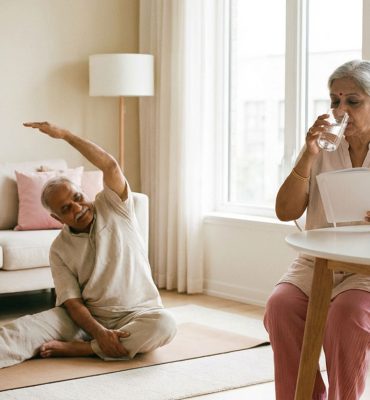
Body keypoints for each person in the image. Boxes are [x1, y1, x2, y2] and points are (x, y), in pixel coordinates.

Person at [0, 122, 177, 368]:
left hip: (139, 314)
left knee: (165, 325)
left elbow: (110, 165)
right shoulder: (59, 249)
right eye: (65, 209)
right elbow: (72, 302)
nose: (77, 207)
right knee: (19, 331)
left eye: (77, 197)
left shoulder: (115, 206)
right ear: (57, 219)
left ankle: (86, 350)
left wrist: (66, 135)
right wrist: (99, 331)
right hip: (86, 321)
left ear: (84, 192)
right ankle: (99, 343)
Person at [264, 59, 370, 400]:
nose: (341, 110)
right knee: (281, 306)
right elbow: (285, 211)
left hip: (367, 270)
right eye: (334, 101)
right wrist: (307, 156)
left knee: (347, 314)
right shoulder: (322, 147)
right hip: (318, 262)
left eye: (353, 101)